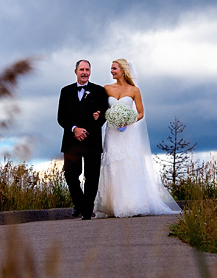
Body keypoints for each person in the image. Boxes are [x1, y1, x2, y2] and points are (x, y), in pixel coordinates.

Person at [94, 59, 181, 218]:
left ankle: (133, 202)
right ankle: (113, 205)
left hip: (128, 133)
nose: (111, 71)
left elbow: (140, 113)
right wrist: (101, 114)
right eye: (111, 69)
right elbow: (99, 107)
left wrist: (128, 120)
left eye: (114, 68)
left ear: (122, 70)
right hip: (112, 133)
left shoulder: (134, 90)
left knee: (129, 164)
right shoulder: (106, 89)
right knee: (112, 166)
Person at [57, 60, 109, 220]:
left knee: (92, 177)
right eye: (82, 69)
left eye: (87, 69)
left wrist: (87, 130)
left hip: (91, 139)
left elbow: (103, 115)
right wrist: (74, 129)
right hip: (71, 140)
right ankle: (79, 203)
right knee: (70, 175)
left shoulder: (99, 91)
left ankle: (87, 211)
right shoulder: (65, 91)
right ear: (76, 72)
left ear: (90, 72)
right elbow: (61, 117)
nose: (84, 72)